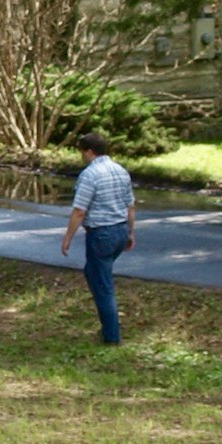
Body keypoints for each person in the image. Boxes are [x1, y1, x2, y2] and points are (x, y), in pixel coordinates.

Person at [61, 131, 136, 344]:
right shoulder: (120, 171)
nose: (81, 156)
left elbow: (79, 211)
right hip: (120, 230)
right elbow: (130, 205)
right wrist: (130, 232)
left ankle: (111, 336)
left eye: (82, 152)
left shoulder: (90, 175)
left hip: (102, 233)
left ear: (89, 151)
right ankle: (108, 328)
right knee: (94, 273)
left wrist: (67, 238)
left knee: (103, 286)